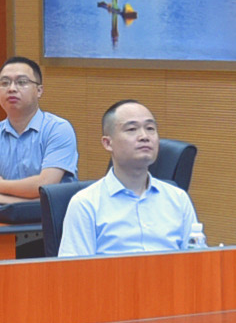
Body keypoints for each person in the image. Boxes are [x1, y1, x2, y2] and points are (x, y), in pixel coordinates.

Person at [60, 100, 203, 257]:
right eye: (132, 129)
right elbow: (74, 268)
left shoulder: (178, 198)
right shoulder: (86, 204)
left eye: (150, 128)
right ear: (108, 143)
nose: (144, 137)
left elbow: (197, 261)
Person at [0, 56, 78, 207]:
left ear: (39, 91)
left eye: (21, 82)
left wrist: (0, 185)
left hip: (52, 220)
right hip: (5, 219)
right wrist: (27, 206)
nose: (12, 89)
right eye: (5, 83)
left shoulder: (58, 129)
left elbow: (45, 185)